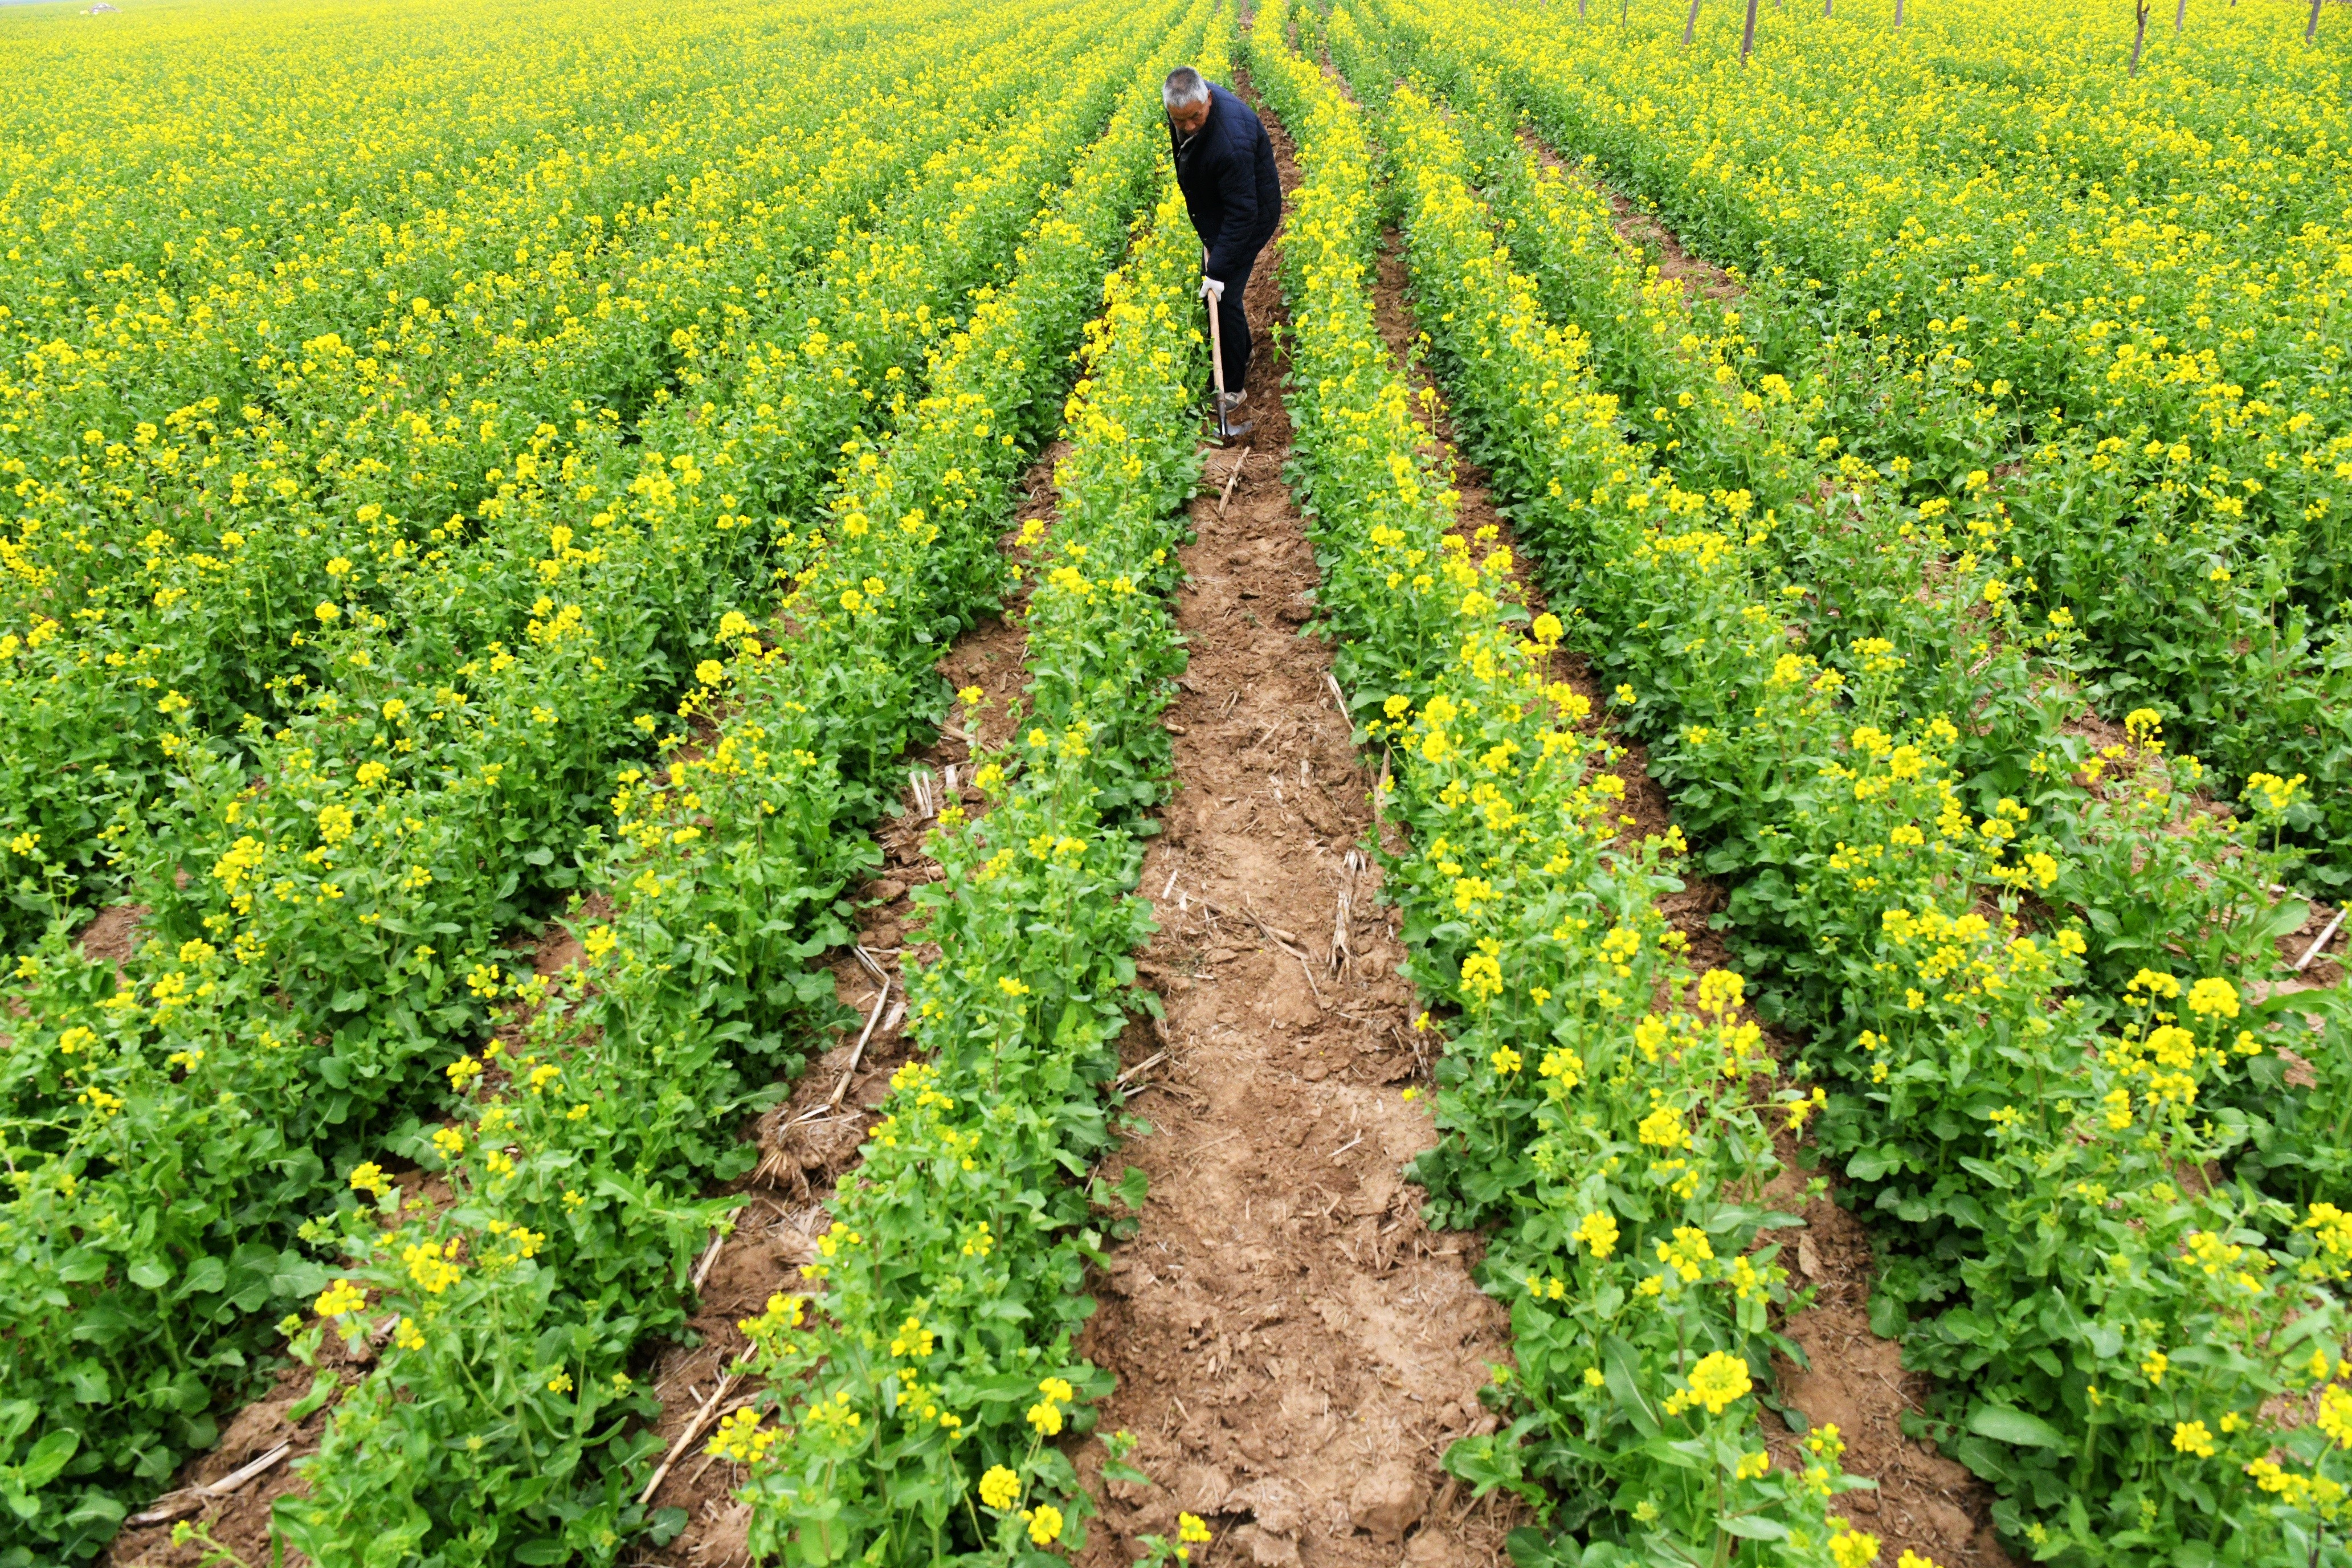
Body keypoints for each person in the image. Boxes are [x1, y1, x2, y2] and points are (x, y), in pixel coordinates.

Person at [1164, 65, 1280, 419]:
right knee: (1215, 284)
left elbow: (1244, 214)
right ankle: (1241, 349)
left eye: (1194, 118)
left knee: (1223, 293)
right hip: (1223, 206)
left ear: (1209, 100)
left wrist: (1217, 270)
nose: (1187, 127)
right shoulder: (1187, 106)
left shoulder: (1231, 142)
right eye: (1179, 120)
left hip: (1252, 215)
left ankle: (1233, 387)